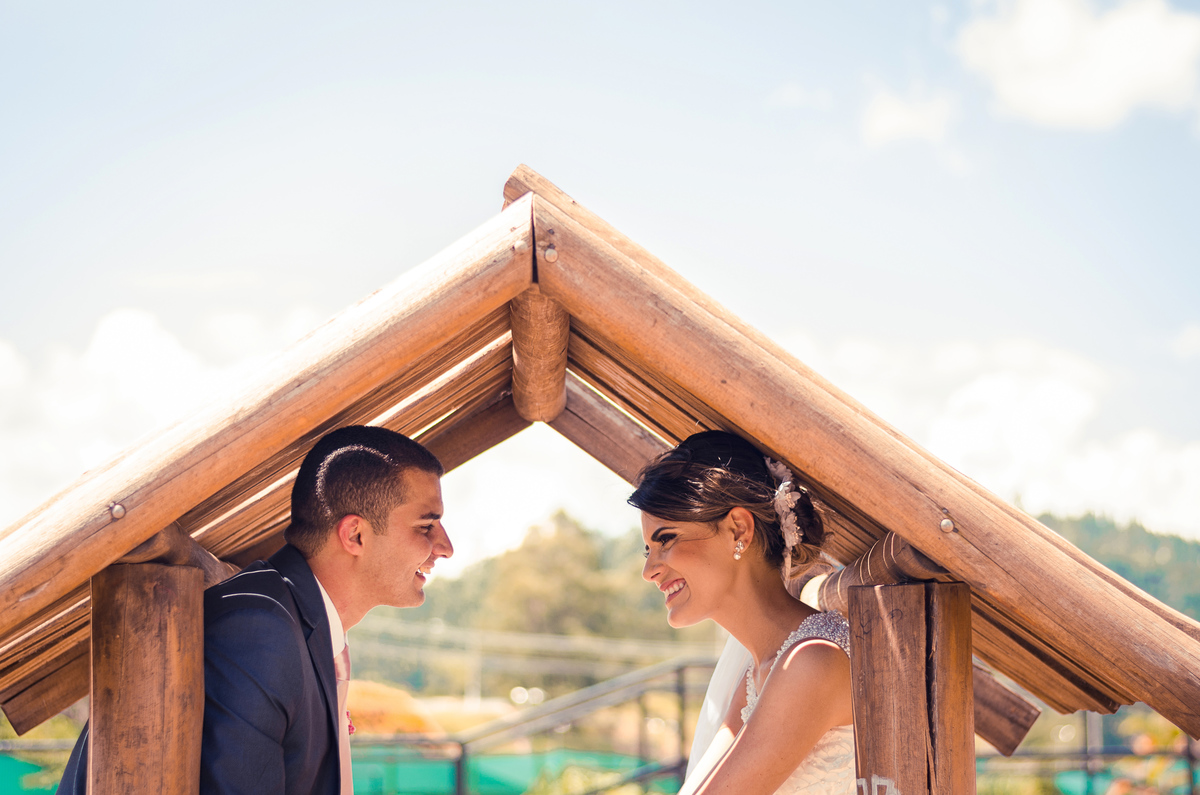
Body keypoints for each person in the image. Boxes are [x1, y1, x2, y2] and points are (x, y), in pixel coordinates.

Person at [57, 425, 453, 795]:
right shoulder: (258, 632)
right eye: (426, 526)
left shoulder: (296, 623)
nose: (446, 546)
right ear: (355, 535)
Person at [630, 430, 854, 795]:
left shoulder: (811, 661)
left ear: (738, 529)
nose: (649, 570)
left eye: (666, 539)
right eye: (647, 550)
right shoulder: (759, 671)